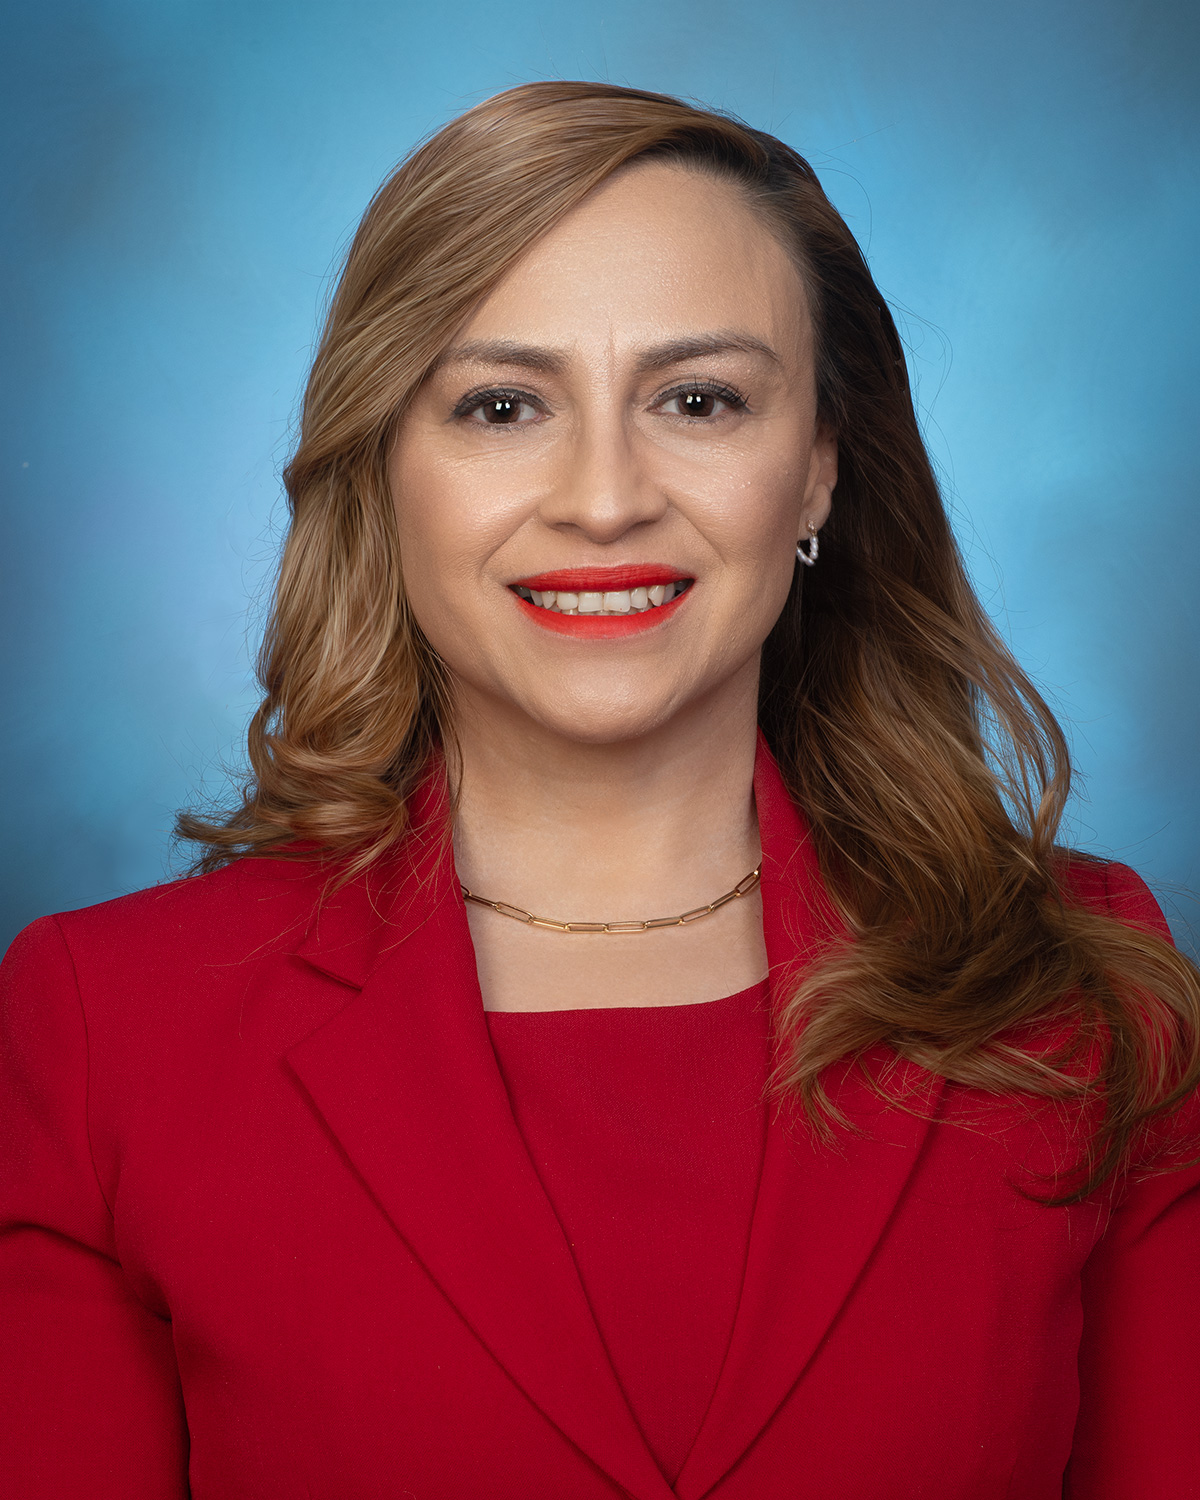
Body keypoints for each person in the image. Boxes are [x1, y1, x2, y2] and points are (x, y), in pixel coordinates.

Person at [1, 80, 1198, 1500]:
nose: (605, 495)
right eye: (503, 405)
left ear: (817, 469)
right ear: (386, 467)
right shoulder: (105, 1026)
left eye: (698, 400)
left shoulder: (1079, 990)